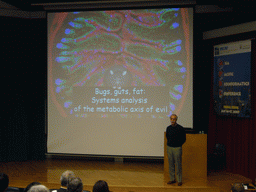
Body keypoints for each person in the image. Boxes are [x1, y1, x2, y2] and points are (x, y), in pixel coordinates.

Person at [166, 114, 186, 186]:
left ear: (176, 120)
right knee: (171, 164)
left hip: (177, 148)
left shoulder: (180, 128)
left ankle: (179, 180)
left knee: (178, 164)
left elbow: (184, 139)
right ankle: (172, 179)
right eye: (171, 119)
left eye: (174, 119)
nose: (172, 120)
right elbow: (167, 137)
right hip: (169, 148)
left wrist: (178, 144)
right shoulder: (168, 128)